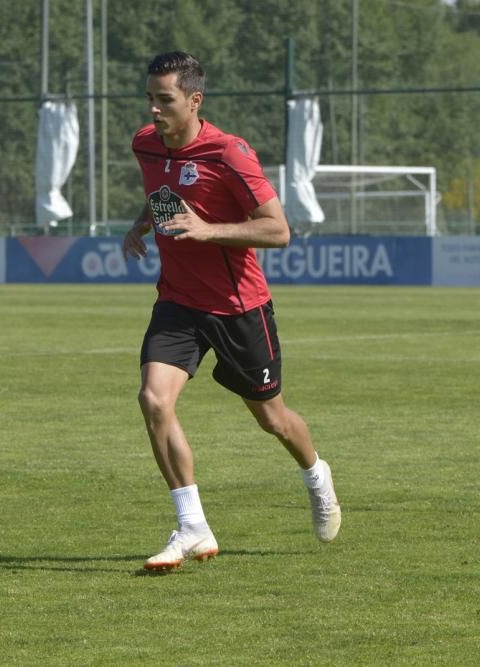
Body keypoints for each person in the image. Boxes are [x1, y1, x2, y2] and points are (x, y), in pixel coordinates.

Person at [122, 52, 341, 572]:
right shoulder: (144, 143)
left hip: (238, 307)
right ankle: (192, 526)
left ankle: (316, 476)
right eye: (150, 98)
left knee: (273, 419)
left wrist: (208, 231)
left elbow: (278, 230)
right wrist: (141, 225)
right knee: (154, 399)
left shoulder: (229, 153)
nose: (154, 110)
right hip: (177, 301)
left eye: (165, 100)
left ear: (195, 100)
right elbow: (164, 191)